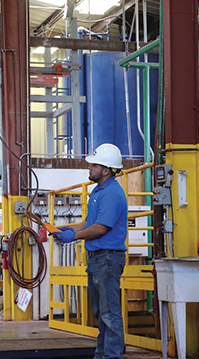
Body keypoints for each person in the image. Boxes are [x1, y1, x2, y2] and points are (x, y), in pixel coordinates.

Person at [54, 143, 128, 359]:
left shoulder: (112, 193)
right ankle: (103, 354)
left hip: (107, 259)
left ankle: (112, 356)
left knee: (109, 313)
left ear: (106, 170)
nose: (89, 168)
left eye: (93, 165)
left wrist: (73, 236)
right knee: (101, 312)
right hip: (98, 259)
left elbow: (100, 228)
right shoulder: (98, 191)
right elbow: (89, 222)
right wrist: (66, 228)